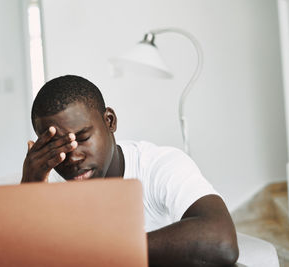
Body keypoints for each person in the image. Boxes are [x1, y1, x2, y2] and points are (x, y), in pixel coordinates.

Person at [21, 75, 239, 266]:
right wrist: (29, 189)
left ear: (110, 121)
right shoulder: (45, 184)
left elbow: (222, 241)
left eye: (83, 138)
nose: (73, 157)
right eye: (57, 147)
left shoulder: (159, 165)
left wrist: (99, 252)